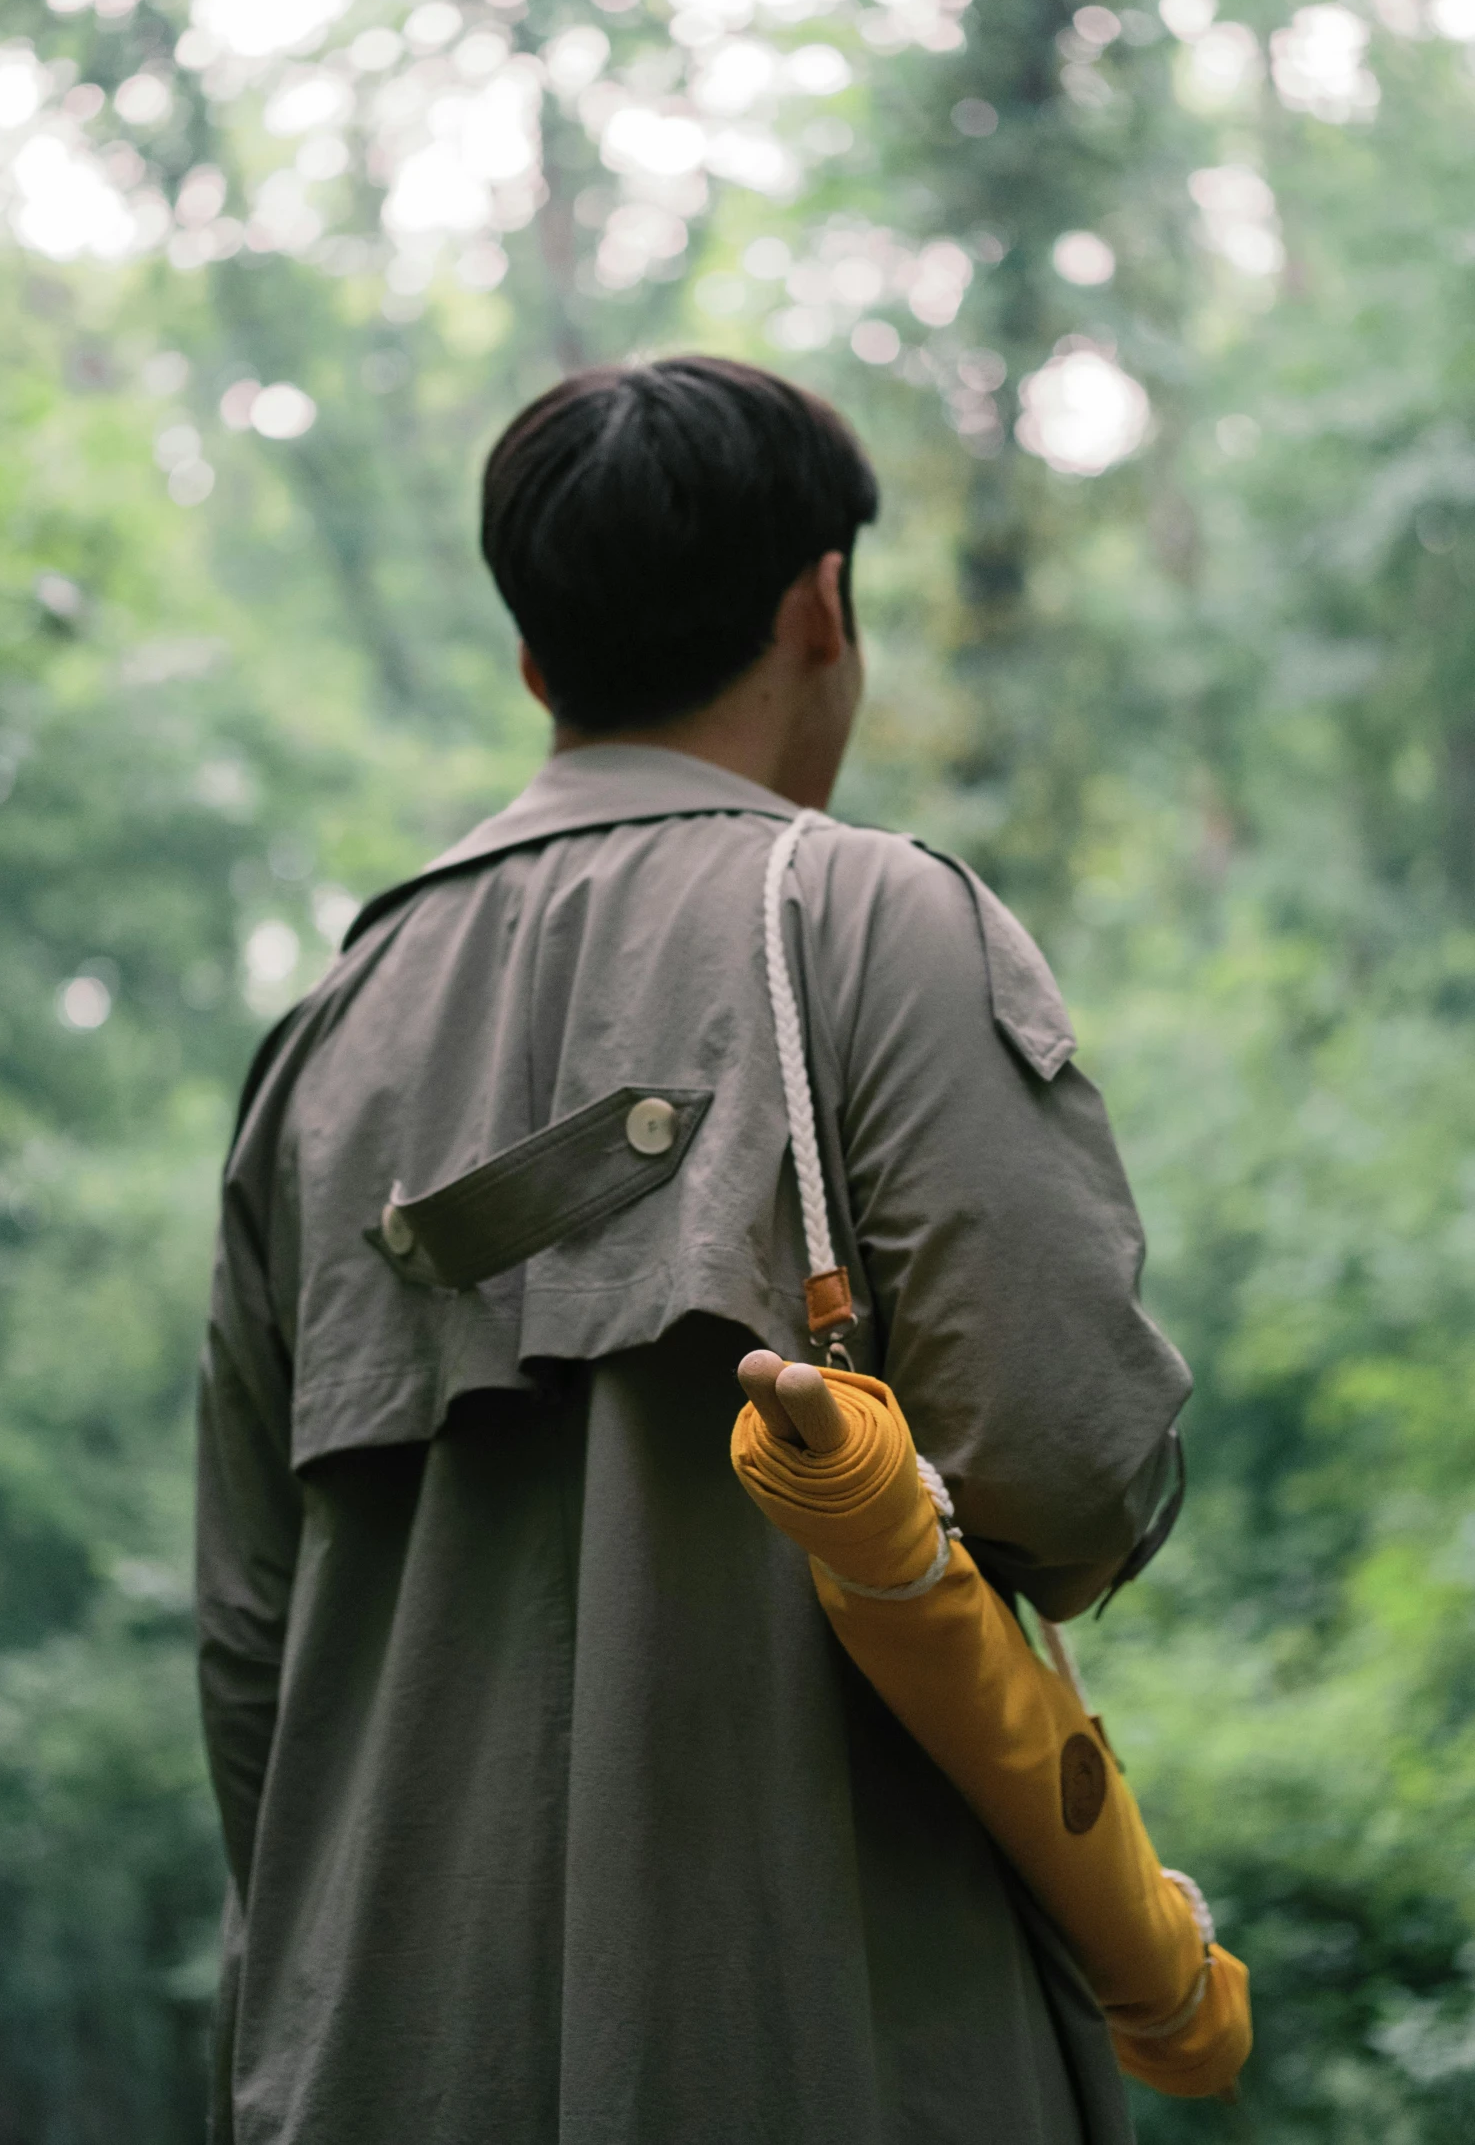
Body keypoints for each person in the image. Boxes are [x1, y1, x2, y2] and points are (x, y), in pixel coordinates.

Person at [197, 355, 1192, 2145]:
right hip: (842, 2049)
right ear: (824, 603)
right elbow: (1067, 1469)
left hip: (379, 2062)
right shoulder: (870, 921)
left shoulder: (320, 1042)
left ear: (534, 661)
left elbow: (247, 1642)